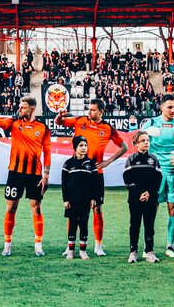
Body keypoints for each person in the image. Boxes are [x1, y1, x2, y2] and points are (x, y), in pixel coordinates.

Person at [55, 99, 128, 255]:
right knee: (73, 209)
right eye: (89, 109)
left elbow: (124, 147)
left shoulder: (107, 128)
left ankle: (98, 245)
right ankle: (70, 245)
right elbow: (59, 122)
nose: (89, 112)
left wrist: (109, 161)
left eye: (93, 110)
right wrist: (60, 116)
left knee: (97, 208)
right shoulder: (80, 121)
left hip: (95, 174)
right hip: (76, 173)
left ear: (101, 111)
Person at [0, 97, 52, 257]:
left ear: (32, 109)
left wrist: (46, 174)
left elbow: (47, 151)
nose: (19, 109)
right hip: (15, 173)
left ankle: (38, 245)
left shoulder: (43, 127)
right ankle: (7, 245)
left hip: (35, 174)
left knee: (36, 207)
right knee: (11, 207)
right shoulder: (14, 122)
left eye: (23, 107)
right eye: (20, 107)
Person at [130, 94, 174, 259]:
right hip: (154, 173)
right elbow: (135, 140)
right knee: (151, 209)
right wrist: (144, 132)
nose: (173, 110)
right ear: (161, 107)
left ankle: (170, 246)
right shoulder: (152, 122)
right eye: (169, 107)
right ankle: (147, 247)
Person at [123, 131, 163, 263]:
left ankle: (149, 252)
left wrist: (149, 193)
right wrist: (138, 194)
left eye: (148, 140)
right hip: (135, 199)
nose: (146, 143)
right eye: (143, 141)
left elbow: (158, 178)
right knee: (134, 225)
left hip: (150, 198)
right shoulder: (131, 159)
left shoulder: (153, 159)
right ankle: (133, 252)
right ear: (136, 144)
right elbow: (127, 179)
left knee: (149, 225)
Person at [61, 136, 96, 260]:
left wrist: (93, 198)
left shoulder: (90, 163)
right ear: (75, 147)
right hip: (72, 201)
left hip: (85, 200)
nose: (84, 148)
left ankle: (83, 251)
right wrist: (65, 199)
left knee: (84, 224)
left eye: (85, 145)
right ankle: (71, 251)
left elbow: (94, 183)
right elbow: (64, 183)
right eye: (81, 145)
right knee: (72, 224)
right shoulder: (68, 163)